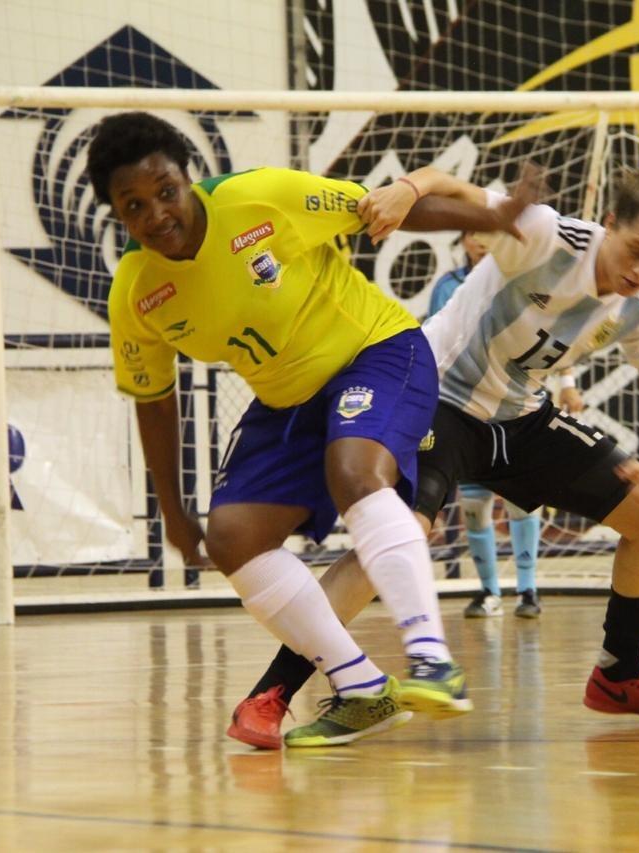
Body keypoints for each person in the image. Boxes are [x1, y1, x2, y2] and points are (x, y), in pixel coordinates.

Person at [86, 112, 528, 749]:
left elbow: (384, 211)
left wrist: (492, 217)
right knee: (234, 538)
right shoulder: (135, 294)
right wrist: (170, 509)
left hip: (376, 351)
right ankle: (361, 688)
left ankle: (433, 660)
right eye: (133, 206)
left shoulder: (262, 197)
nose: (156, 214)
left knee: (354, 472)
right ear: (117, 215)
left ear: (190, 180)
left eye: (166, 192)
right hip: (287, 397)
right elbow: (155, 402)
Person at [234, 153, 639, 747]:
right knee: (397, 534)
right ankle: (271, 692)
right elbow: (453, 185)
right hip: (434, 394)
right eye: (636, 250)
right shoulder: (547, 236)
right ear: (610, 220)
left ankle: (619, 674)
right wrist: (406, 188)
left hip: (521, 419)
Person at [428, 232, 585, 620]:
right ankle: (488, 591)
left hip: (516, 407)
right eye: (473, 235)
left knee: (521, 500)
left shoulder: (525, 277)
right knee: (475, 505)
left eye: (488, 233)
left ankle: (528, 589)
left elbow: (554, 335)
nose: (481, 241)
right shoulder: (448, 287)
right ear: (463, 241)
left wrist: (567, 383)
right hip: (466, 411)